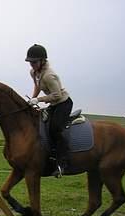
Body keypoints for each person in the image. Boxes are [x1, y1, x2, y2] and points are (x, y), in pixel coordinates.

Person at [25, 44, 73, 177]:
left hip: (63, 103)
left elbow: (57, 95)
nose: (32, 65)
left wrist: (38, 100)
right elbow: (37, 86)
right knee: (42, 125)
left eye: (34, 62)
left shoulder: (49, 76)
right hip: (53, 103)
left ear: (42, 61)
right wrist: (33, 99)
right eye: (30, 62)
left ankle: (62, 162)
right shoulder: (34, 72)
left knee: (55, 128)